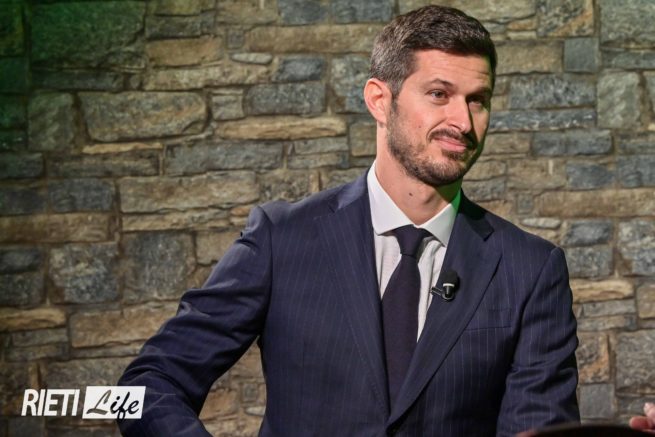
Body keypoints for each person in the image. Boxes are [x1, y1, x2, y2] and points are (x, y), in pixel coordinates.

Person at [117, 5, 579, 436]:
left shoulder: (531, 269)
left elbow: (537, 426)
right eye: (439, 94)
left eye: (478, 100)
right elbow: (140, 389)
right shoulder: (281, 239)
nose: (463, 120)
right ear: (379, 100)